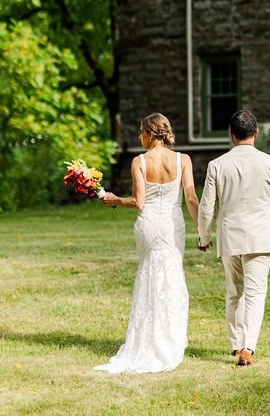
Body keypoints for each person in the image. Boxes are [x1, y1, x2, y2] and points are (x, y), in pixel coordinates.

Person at [95, 113, 199, 373]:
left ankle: (149, 339)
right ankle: (170, 339)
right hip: (173, 226)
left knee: (150, 276)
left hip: (150, 225)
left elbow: (138, 202)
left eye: (141, 132)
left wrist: (115, 199)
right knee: (172, 276)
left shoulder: (139, 161)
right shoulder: (183, 160)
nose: (139, 137)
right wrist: (202, 230)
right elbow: (191, 198)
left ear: (151, 133)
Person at [198, 109, 270, 367]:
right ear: (256, 133)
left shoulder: (217, 165)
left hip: (230, 236)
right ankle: (248, 347)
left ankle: (237, 344)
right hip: (262, 236)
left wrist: (204, 236)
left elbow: (207, 206)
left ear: (231, 134)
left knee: (234, 292)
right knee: (255, 293)